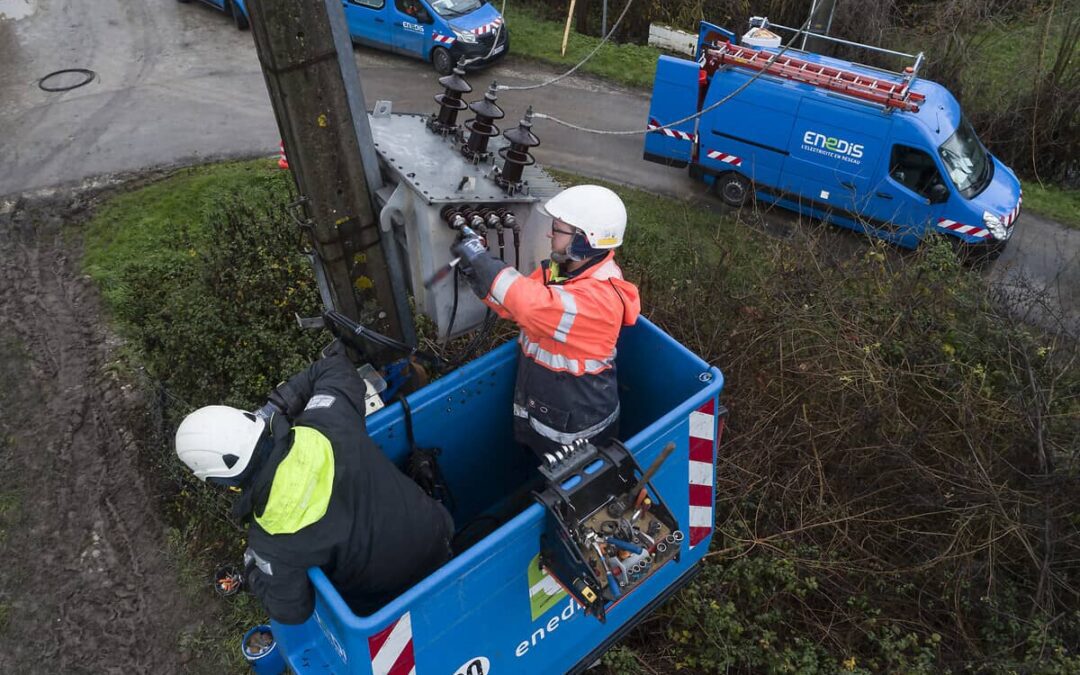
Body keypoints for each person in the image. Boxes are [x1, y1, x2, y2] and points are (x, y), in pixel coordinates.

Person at [174, 350, 454, 624]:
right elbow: (336, 368)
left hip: (389, 600)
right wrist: (278, 404)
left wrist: (253, 570)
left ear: (217, 480)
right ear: (250, 421)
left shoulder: (271, 539)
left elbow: (292, 612)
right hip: (436, 532)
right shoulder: (327, 421)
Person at [451, 184, 641, 461]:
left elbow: (531, 306)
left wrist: (481, 260)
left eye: (559, 228)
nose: (551, 233)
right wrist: (474, 268)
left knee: (571, 494)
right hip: (544, 412)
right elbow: (512, 304)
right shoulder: (560, 272)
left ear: (585, 240)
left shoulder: (599, 300)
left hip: (579, 434)